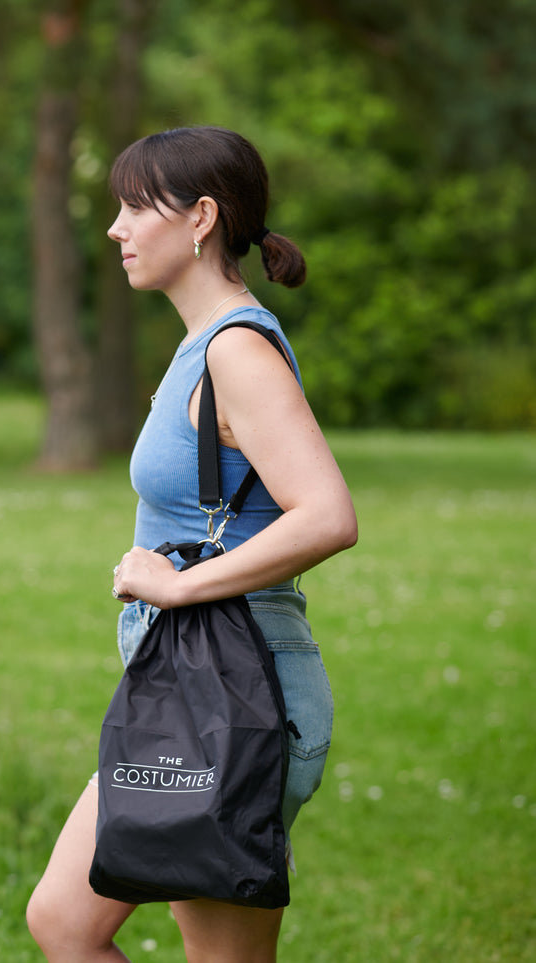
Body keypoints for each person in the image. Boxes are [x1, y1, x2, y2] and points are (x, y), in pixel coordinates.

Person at [25, 126, 359, 963]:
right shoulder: (198, 347)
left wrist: (173, 587)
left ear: (201, 216)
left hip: (237, 693)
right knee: (63, 922)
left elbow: (325, 513)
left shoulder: (237, 351)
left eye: (136, 206)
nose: (116, 227)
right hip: (190, 684)